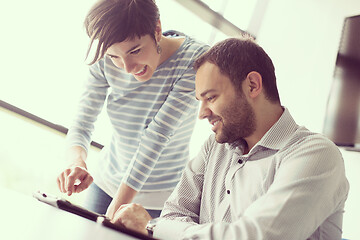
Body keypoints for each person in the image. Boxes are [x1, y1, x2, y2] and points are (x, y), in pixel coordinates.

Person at [110, 36, 350, 239]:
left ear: (253, 85)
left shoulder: (316, 155)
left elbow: (254, 236)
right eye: (200, 101)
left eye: (211, 98)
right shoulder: (214, 148)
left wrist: (154, 227)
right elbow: (173, 214)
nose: (202, 113)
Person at [56, 0, 209, 219]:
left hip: (161, 199)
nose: (127, 68)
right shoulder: (105, 54)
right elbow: (83, 120)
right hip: (106, 184)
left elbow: (157, 136)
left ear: (157, 30)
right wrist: (76, 161)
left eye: (135, 51)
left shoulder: (194, 60)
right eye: (114, 57)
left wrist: (111, 215)